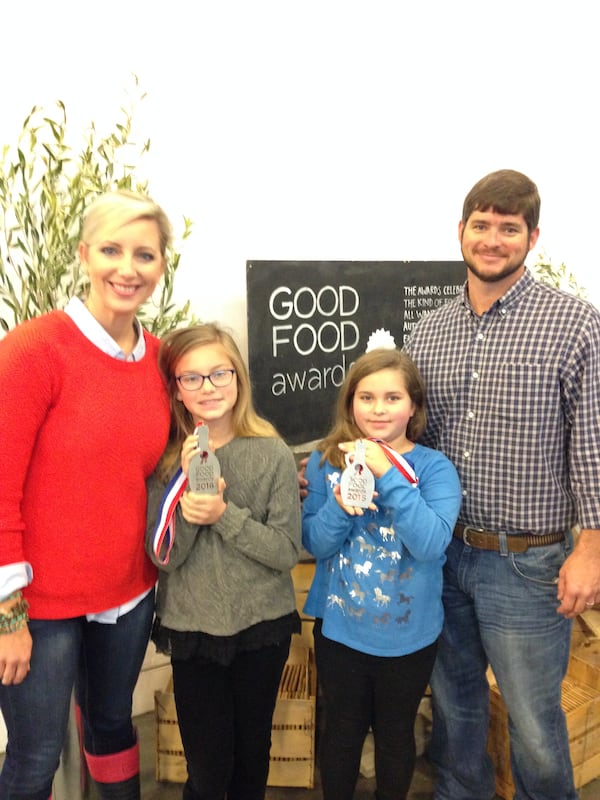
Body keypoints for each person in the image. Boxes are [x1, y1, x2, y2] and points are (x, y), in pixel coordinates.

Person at [404, 169, 600, 800]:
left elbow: (592, 445)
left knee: (535, 727)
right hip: (441, 555)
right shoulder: (427, 333)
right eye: (481, 225)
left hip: (528, 565)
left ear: (532, 237)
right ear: (460, 231)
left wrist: (591, 548)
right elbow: (411, 443)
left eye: (508, 228)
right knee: (456, 712)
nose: (492, 239)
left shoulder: (575, 325)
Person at [0, 189, 173, 800]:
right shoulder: (33, 351)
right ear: (84, 255)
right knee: (37, 752)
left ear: (161, 266)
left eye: (145, 255)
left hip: (127, 592)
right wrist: (6, 615)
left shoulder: (159, 361)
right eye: (111, 249)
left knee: (110, 724)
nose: (127, 269)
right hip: (38, 607)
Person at [145, 322, 302, 800]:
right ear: (175, 389)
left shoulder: (272, 452)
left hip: (261, 627)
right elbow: (163, 558)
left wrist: (224, 514)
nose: (207, 387)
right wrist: (192, 510)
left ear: (238, 379)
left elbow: (284, 552)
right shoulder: (167, 459)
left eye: (219, 374)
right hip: (194, 630)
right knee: (208, 766)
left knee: (252, 754)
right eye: (191, 378)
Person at [301, 336, 462, 800]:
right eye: (366, 397)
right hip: (341, 632)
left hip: (410, 636)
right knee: (342, 735)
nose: (378, 409)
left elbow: (431, 545)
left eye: (392, 398)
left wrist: (387, 475)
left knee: (395, 736)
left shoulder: (434, 469)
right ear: (350, 403)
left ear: (413, 406)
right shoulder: (326, 460)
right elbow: (314, 541)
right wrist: (336, 506)